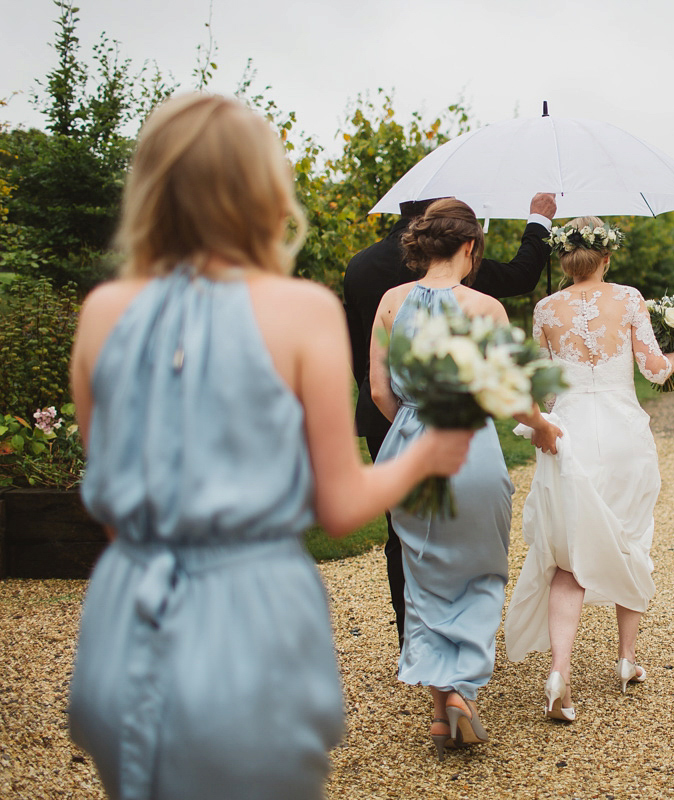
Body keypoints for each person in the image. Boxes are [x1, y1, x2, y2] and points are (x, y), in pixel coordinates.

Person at [65, 93, 474, 800]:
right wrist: (425, 456)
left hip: (126, 610)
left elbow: (110, 509)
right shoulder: (299, 310)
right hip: (247, 612)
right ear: (263, 188)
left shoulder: (104, 311)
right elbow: (340, 503)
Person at [368, 198, 560, 759]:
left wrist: (411, 424)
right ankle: (461, 695)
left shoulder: (389, 302)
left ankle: (441, 704)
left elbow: (380, 391)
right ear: (471, 247)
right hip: (468, 449)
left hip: (406, 451)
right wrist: (544, 428)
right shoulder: (487, 309)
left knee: (423, 578)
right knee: (479, 574)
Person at [503, 216, 674, 723]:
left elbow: (543, 387)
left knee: (568, 554)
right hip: (623, 433)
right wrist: (673, 358)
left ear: (563, 259)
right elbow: (651, 369)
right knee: (630, 536)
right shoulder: (628, 299)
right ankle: (626, 659)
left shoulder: (544, 308)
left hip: (571, 433)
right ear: (607, 257)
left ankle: (560, 672)